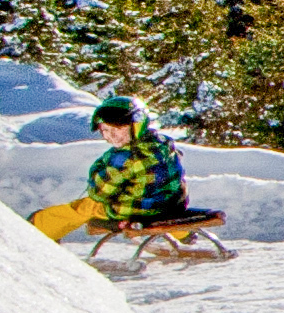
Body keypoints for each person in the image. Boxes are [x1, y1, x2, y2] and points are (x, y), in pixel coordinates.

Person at [26, 97, 186, 240]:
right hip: (172, 204)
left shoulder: (125, 158)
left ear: (136, 126)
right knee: (156, 192)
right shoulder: (161, 143)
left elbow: (99, 192)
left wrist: (98, 169)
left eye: (118, 130)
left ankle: (39, 228)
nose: (112, 136)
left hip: (137, 212)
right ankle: (183, 233)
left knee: (87, 206)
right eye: (106, 130)